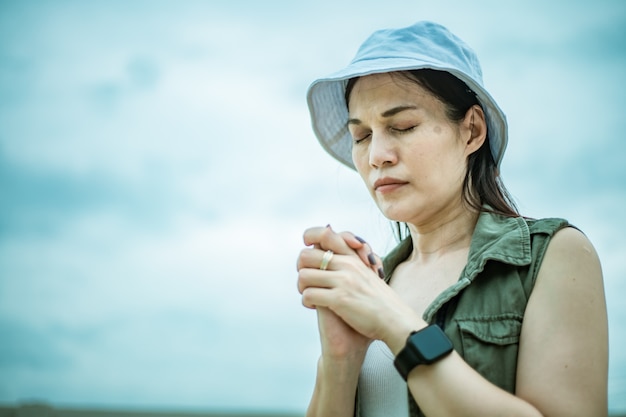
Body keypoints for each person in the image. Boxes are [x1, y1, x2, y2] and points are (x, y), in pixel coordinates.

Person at [296, 21, 608, 417]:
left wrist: (395, 323)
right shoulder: (374, 283)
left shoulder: (551, 256)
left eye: (403, 126)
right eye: (361, 136)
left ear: (472, 131)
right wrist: (339, 360)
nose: (377, 155)